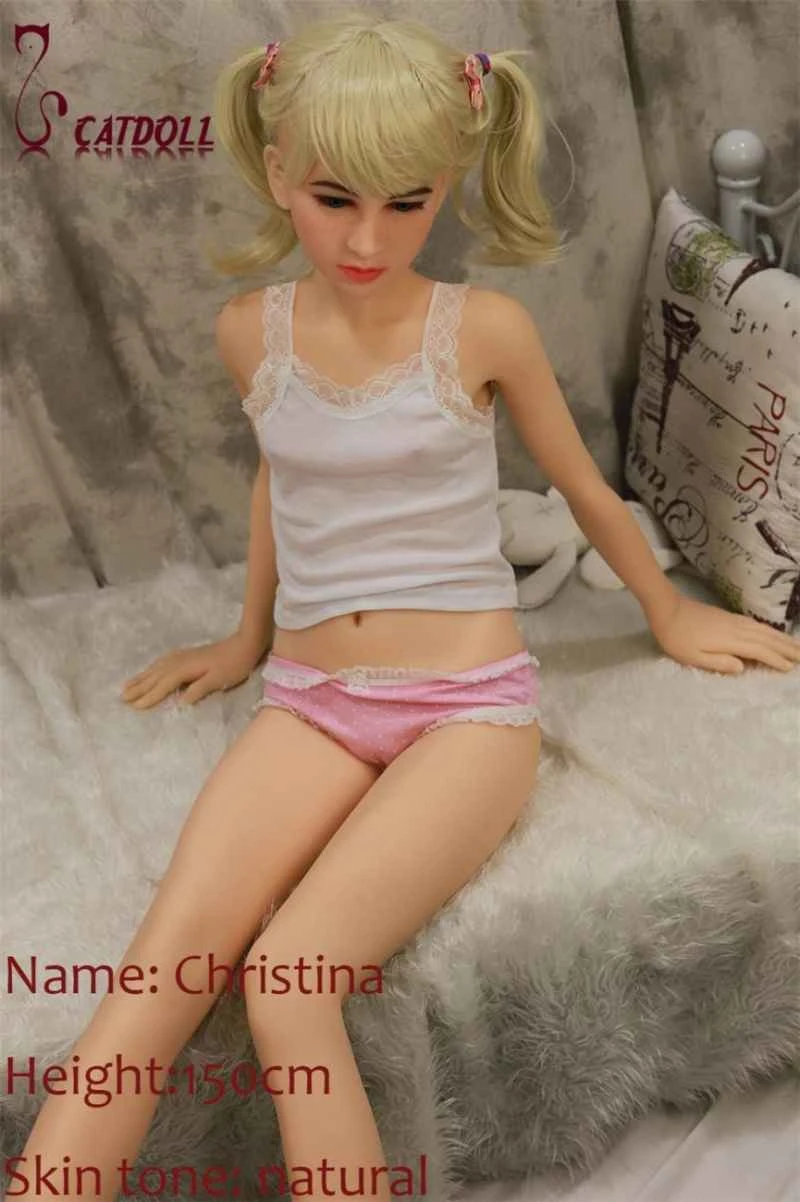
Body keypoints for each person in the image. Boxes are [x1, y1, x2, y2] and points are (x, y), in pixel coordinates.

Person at [15, 10, 800, 1202]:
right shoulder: (250, 333)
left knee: (288, 981)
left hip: (464, 712)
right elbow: (284, 475)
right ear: (278, 170)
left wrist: (667, 610)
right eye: (334, 200)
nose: (367, 237)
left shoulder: (480, 329)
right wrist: (245, 636)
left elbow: (583, 487)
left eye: (407, 202)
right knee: (161, 965)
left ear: (446, 187)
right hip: (312, 700)